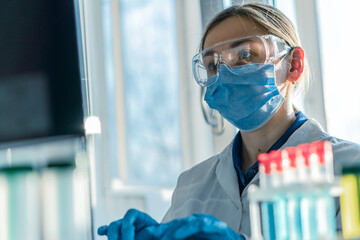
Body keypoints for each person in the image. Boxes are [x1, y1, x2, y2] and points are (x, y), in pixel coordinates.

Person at [98, 3, 360, 240]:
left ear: (294, 64)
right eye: (212, 65)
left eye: (245, 55)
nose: (225, 74)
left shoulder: (349, 167)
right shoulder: (192, 185)